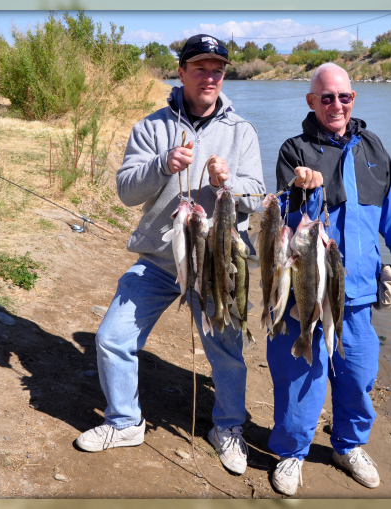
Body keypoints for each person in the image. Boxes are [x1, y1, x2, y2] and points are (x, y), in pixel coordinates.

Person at [75, 34, 266, 477]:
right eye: (200, 68)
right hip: (160, 261)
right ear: (180, 73)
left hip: (219, 263)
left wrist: (228, 183)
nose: (210, 76)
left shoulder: (243, 132)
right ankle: (124, 422)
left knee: (227, 350)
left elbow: (258, 199)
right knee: (112, 337)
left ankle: (228, 428)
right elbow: (125, 191)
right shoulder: (150, 127)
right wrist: (162, 164)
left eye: (217, 69)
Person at [267, 62, 391, 496]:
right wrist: (304, 190)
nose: (337, 104)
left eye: (345, 96)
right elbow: (285, 225)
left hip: (356, 297)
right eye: (327, 97)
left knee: (357, 376)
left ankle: (348, 446)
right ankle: (292, 452)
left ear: (354, 98)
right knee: (300, 376)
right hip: (305, 294)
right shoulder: (293, 150)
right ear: (311, 101)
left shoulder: (373, 148)